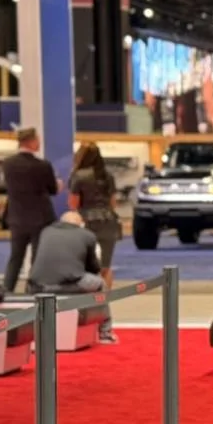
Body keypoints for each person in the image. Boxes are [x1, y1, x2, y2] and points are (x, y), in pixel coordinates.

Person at [68, 142, 121, 341]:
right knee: (105, 267)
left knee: (87, 267)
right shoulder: (108, 175)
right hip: (108, 222)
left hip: (87, 223)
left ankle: (89, 309)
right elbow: (113, 203)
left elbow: (73, 204)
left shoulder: (79, 176)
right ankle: (104, 308)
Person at [0, 127, 60, 293]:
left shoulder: (8, 164)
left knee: (15, 258)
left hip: (17, 217)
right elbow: (52, 189)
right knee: (37, 258)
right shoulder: (43, 165)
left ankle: (7, 289)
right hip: (40, 218)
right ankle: (32, 291)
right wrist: (58, 185)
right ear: (31, 141)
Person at [28, 211, 105, 295]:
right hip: (68, 285)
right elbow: (94, 268)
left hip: (38, 286)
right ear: (80, 223)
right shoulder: (88, 235)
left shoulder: (46, 231)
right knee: (99, 282)